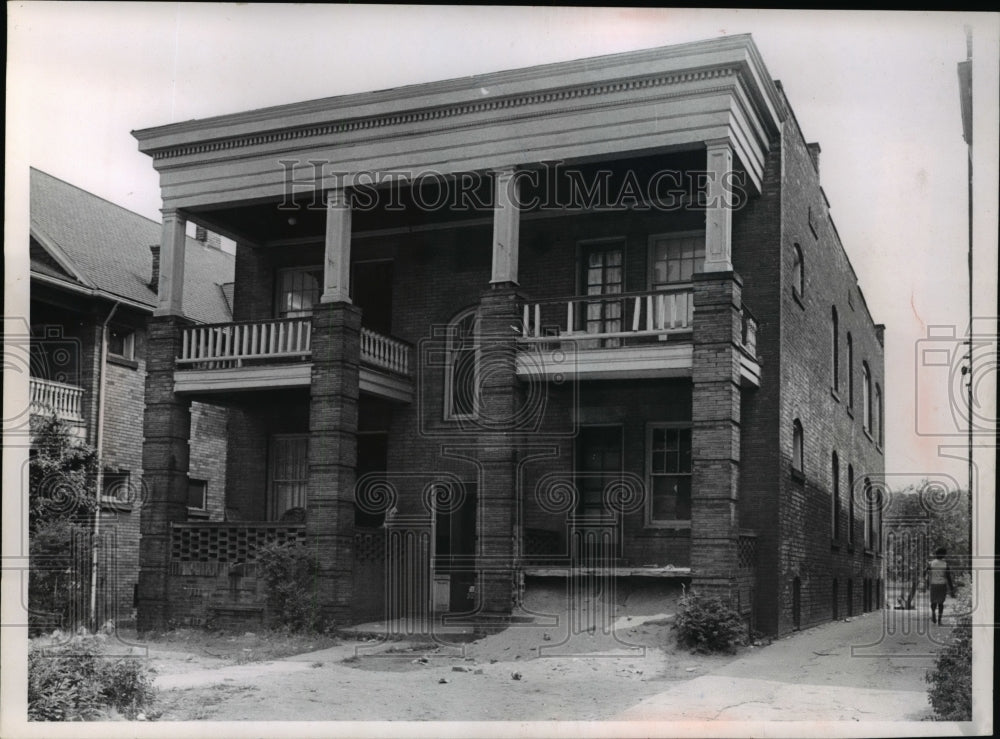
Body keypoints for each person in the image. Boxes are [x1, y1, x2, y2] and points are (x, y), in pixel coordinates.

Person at [924, 547, 956, 624]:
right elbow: (948, 578)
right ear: (944, 555)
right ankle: (939, 620)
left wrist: (927, 581)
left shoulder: (931, 563)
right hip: (942, 585)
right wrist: (952, 589)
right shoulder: (945, 564)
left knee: (933, 601)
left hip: (933, 585)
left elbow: (924, 573)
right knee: (941, 603)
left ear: (936, 554)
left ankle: (933, 613)